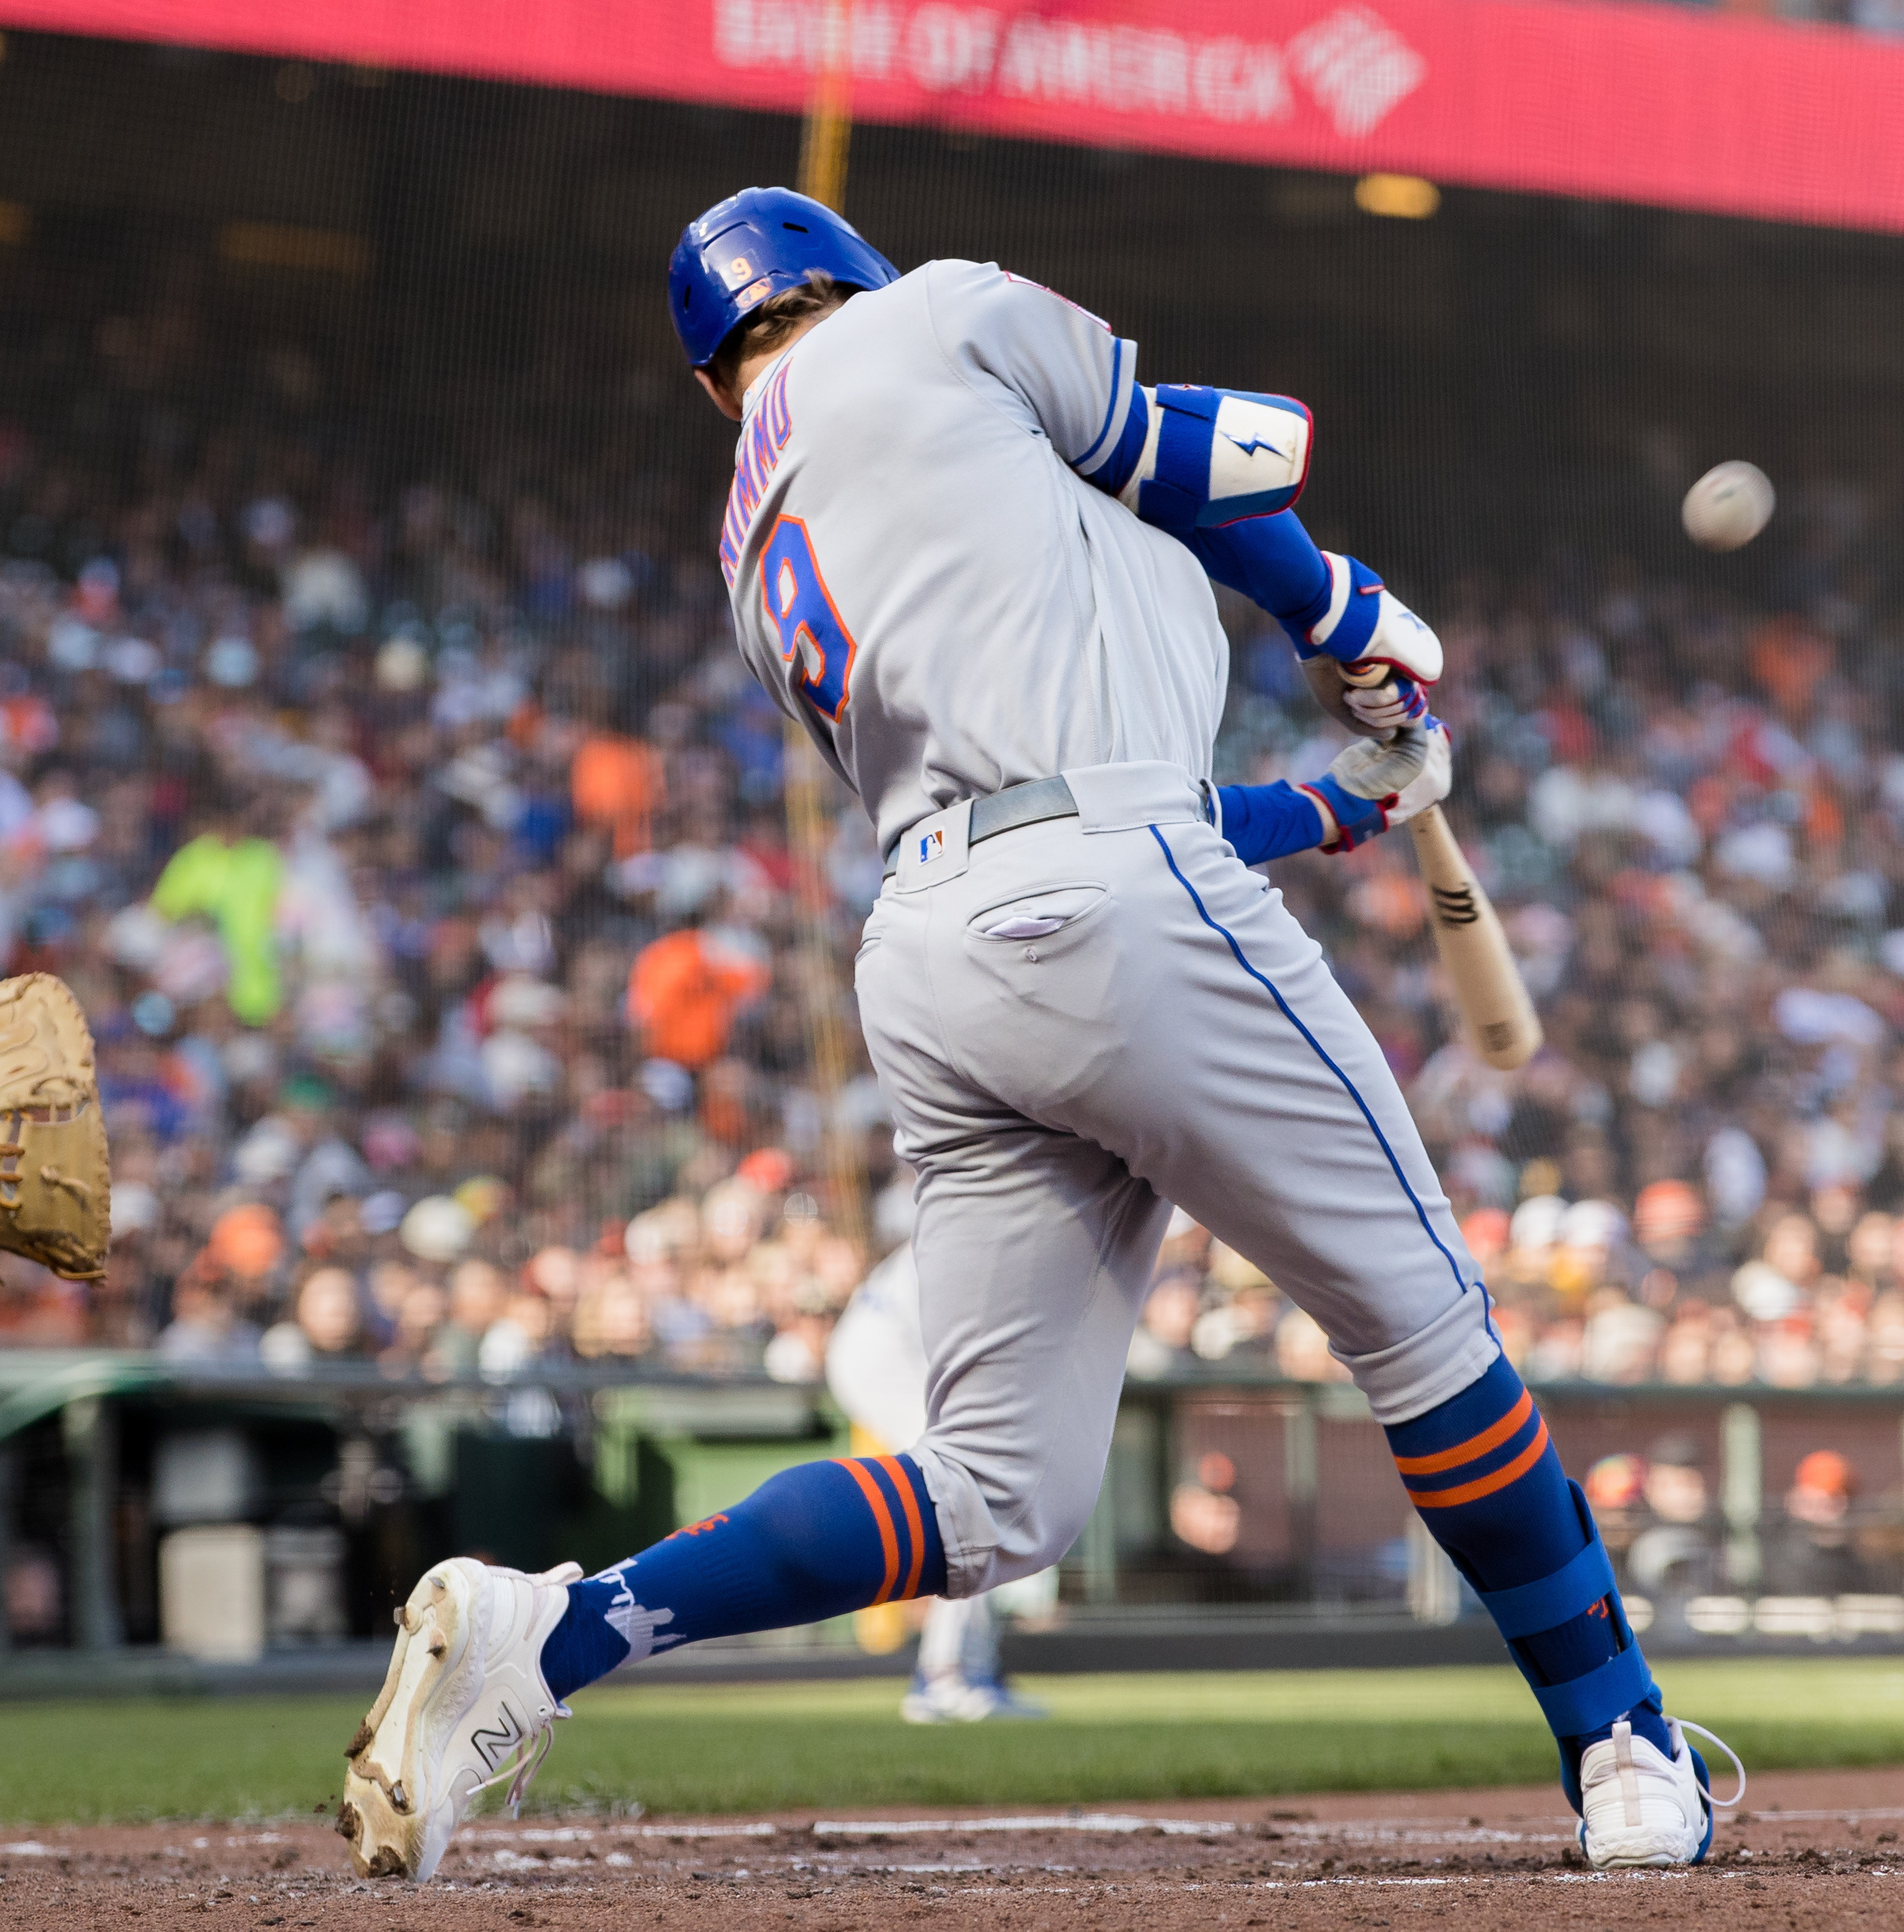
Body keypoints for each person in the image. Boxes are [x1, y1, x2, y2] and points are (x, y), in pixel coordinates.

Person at [337, 188, 1735, 1882]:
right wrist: (1345, 618)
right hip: (1110, 894)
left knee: (993, 1488)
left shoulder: (761, 520)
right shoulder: (934, 311)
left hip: (940, 953)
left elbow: (1073, 782)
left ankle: (551, 1636)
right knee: (1427, 1329)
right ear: (843, 278)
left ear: (719, 377)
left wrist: (1337, 801)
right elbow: (1217, 453)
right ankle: (1621, 1733)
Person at [825, 1243, 1042, 1721]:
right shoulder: (1003, 1225)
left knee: (980, 1492)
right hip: (884, 1354)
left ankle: (967, 1668)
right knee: (976, 1491)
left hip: (877, 1346)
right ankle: (947, 1675)